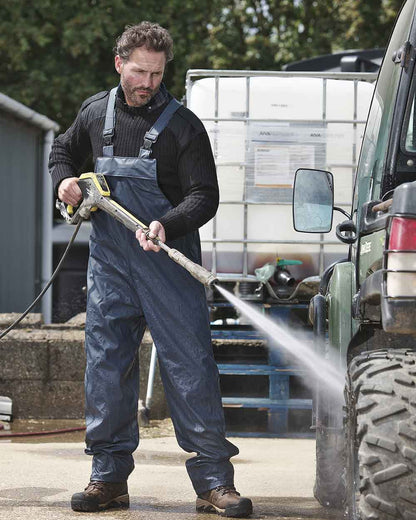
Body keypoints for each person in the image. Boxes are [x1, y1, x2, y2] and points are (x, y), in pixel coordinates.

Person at [49, 21, 253, 518]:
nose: (148, 83)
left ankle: (213, 482)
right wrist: (65, 183)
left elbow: (205, 195)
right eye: (140, 72)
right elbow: (61, 151)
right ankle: (108, 477)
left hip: (166, 263)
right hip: (111, 264)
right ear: (119, 64)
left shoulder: (183, 127)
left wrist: (167, 221)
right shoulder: (95, 113)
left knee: (189, 368)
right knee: (106, 367)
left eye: (157, 75)